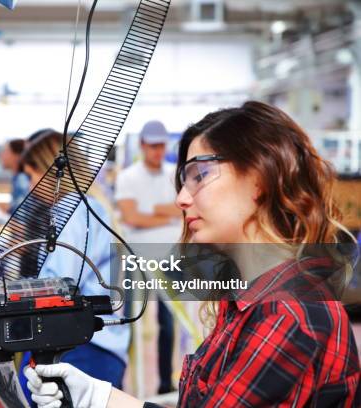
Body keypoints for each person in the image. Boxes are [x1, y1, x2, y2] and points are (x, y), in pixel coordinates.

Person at [24, 101, 360, 407]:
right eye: (184, 181)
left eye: (200, 175)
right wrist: (101, 397)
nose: (182, 199)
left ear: (260, 178)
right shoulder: (248, 300)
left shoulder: (287, 312)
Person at [18, 130, 131, 404]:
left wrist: (14, 295)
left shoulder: (72, 209)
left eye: (32, 175)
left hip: (84, 349)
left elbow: (60, 285)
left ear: (48, 172)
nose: (31, 186)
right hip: (101, 346)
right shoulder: (92, 206)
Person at [115, 120, 181, 394]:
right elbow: (131, 217)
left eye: (161, 145)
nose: (157, 150)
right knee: (130, 319)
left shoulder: (175, 173)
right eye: (152, 145)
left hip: (170, 258)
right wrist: (167, 213)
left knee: (169, 322)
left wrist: (151, 212)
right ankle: (123, 382)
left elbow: (183, 210)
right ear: (142, 145)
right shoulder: (127, 177)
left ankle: (166, 383)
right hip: (137, 258)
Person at [0, 138, 30, 213]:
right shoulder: (17, 178)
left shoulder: (21, 179)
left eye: (6, 151)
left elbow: (21, 214)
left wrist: (9, 210)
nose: (1, 155)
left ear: (17, 156)